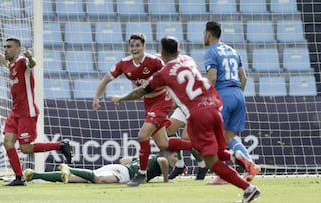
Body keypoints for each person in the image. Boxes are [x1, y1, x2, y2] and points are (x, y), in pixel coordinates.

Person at [110, 36, 261, 202]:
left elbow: (140, 92)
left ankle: (249, 188)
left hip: (198, 115)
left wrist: (121, 98)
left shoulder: (163, 74)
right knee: (218, 151)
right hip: (215, 107)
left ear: (162, 54)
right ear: (179, 51)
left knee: (212, 162)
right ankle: (237, 156)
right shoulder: (188, 60)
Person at [92, 33, 193, 187]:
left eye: (138, 45)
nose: (135, 48)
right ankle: (199, 145)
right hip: (148, 102)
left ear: (144, 47)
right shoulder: (124, 64)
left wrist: (177, 98)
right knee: (163, 144)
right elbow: (106, 79)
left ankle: (141, 173)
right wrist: (97, 97)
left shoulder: (154, 61)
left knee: (142, 135)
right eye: (132, 46)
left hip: (162, 99)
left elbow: (170, 78)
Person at [0, 38, 73, 186]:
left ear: (17, 49)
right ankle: (19, 178)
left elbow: (32, 64)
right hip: (15, 112)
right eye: (5, 47)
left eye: (9, 47)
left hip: (27, 112)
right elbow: (5, 61)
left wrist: (30, 57)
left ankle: (60, 145)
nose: (6, 49)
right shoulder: (12, 65)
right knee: (8, 142)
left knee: (25, 148)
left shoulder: (22, 62)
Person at [203, 21, 260, 184]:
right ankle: (249, 165)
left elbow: (212, 78)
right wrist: (235, 94)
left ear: (208, 34)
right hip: (238, 94)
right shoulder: (233, 51)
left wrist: (207, 100)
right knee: (228, 137)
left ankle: (225, 173)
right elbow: (244, 77)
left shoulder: (211, 52)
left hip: (223, 96)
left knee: (214, 136)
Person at [23, 150, 178, 184]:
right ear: (167, 153)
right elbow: (163, 162)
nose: (175, 160)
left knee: (73, 180)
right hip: (124, 173)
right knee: (99, 179)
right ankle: (69, 168)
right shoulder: (160, 159)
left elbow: (124, 160)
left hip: (117, 167)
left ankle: (34, 174)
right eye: (175, 156)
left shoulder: (146, 156)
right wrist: (166, 180)